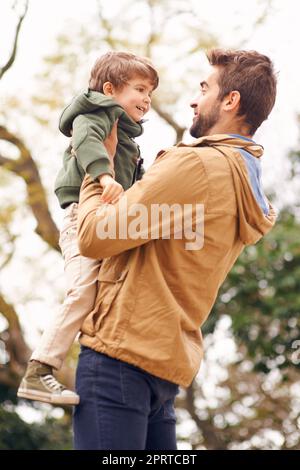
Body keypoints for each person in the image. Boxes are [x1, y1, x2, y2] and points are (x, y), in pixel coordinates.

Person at [73, 48, 277, 450]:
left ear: (230, 101)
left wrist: (101, 169)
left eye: (205, 88)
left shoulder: (198, 167)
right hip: (165, 366)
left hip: (120, 356)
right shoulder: (245, 183)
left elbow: (94, 236)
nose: (194, 99)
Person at [17, 52, 159, 405]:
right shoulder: (95, 115)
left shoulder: (128, 137)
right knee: (82, 291)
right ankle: (39, 370)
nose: (147, 99)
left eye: (151, 94)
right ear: (110, 90)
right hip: (82, 217)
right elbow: (86, 142)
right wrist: (104, 175)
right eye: (140, 89)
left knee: (108, 293)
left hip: (106, 221)